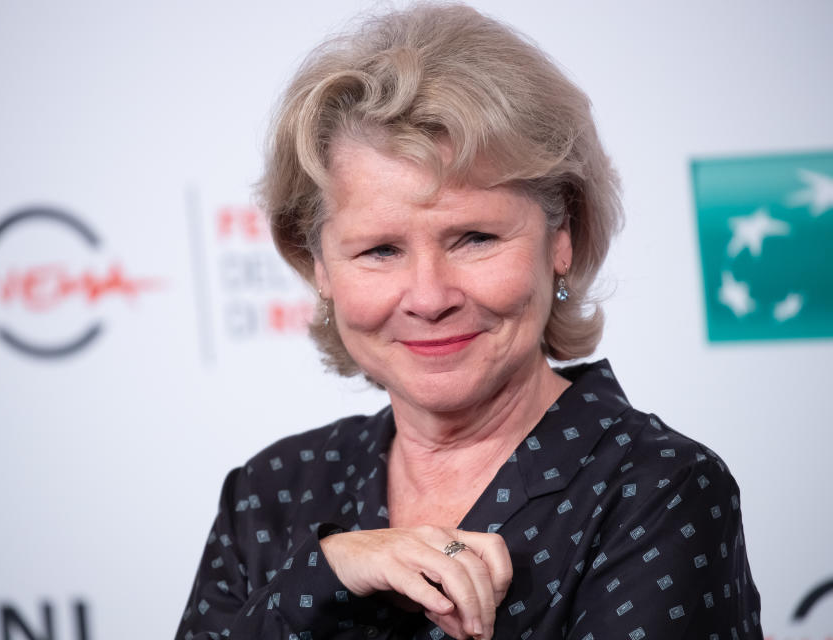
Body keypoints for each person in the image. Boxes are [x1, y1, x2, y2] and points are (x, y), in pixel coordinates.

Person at [174, 4, 762, 639]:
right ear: (319, 266)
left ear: (560, 237)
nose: (429, 297)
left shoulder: (658, 492)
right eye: (380, 251)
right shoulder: (269, 493)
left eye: (475, 239)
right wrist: (325, 576)